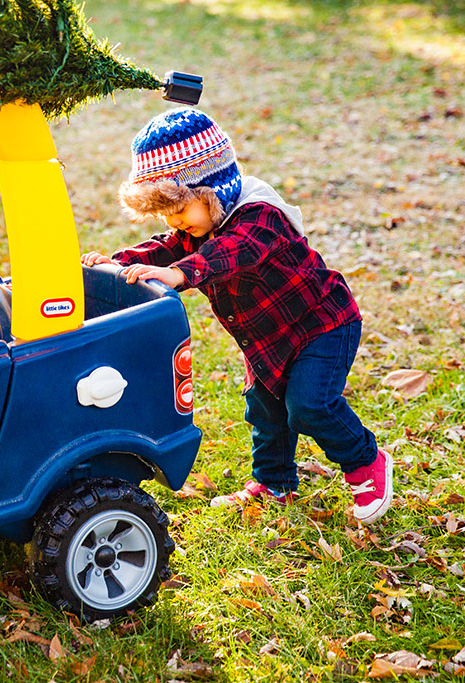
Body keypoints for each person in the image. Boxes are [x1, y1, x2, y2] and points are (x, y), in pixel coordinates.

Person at [82, 107, 392, 524]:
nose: (175, 222)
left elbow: (230, 253)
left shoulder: (261, 216)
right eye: (166, 214)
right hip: (266, 339)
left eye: (181, 208)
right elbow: (165, 248)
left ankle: (365, 461)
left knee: (309, 405)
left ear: (212, 190)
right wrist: (118, 265)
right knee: (264, 409)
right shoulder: (198, 224)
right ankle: (274, 483)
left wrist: (179, 274)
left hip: (321, 326)